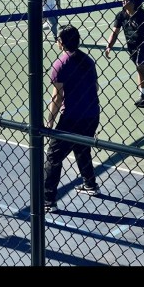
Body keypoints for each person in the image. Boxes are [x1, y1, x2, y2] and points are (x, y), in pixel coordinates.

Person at [43, 24, 101, 214]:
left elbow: (57, 97)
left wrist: (50, 120)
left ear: (61, 42)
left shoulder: (60, 65)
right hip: (92, 114)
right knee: (81, 146)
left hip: (72, 117)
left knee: (53, 156)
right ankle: (90, 184)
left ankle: (48, 200)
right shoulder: (88, 60)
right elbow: (95, 87)